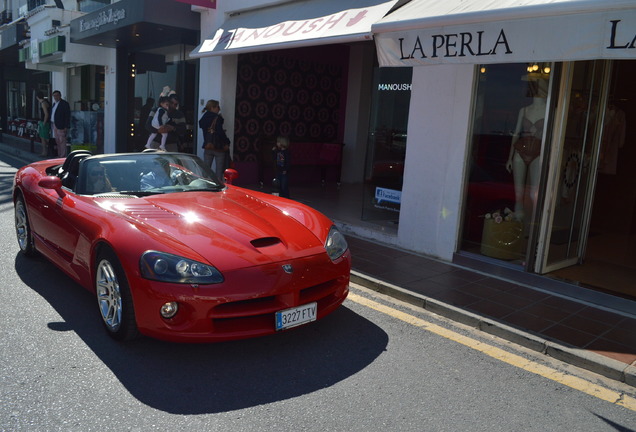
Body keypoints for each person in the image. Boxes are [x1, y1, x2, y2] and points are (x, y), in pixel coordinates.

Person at [505, 79, 548, 222]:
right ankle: (518, 223)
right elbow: (516, 134)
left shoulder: (549, 110)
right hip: (520, 152)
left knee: (534, 193)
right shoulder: (524, 110)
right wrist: (510, 157)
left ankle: (538, 221)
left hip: (538, 152)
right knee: (518, 194)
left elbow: (552, 136)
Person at [199, 99, 230, 178]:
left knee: (206, 170)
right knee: (219, 171)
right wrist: (227, 141)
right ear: (212, 108)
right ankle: (218, 187)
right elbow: (220, 132)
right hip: (218, 147)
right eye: (217, 107)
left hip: (208, 145)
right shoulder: (217, 118)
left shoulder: (204, 118)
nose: (219, 109)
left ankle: (206, 185)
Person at [50, 90, 71, 158]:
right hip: (54, 124)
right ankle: (59, 154)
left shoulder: (64, 104)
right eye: (54, 96)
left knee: (62, 141)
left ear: (60, 96)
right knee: (57, 141)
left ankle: (63, 155)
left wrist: (66, 126)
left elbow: (67, 115)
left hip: (61, 125)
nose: (55, 97)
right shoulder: (54, 104)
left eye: (56, 95)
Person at [36, 92, 51, 157]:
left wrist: (44, 122)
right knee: (43, 137)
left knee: (45, 138)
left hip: (44, 122)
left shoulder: (43, 103)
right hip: (43, 121)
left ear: (37, 97)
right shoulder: (45, 102)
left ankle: (45, 152)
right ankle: (45, 152)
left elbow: (46, 114)